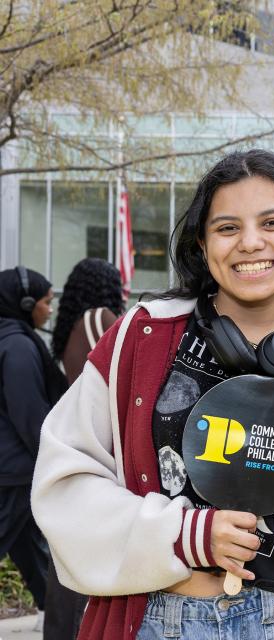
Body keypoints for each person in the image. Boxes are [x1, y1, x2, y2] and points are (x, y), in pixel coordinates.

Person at [32, 149, 274, 640]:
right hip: (158, 620)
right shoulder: (138, 340)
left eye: (273, 222)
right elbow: (64, 478)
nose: (251, 243)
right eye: (227, 228)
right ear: (204, 245)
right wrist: (185, 535)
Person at [44, 258, 124, 640]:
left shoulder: (73, 327)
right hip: (99, 447)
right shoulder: (98, 320)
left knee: (72, 556)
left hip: (80, 446)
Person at [0, 266, 68, 632]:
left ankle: (52, 615)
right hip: (13, 470)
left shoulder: (8, 338)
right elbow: (29, 415)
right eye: (46, 302)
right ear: (26, 304)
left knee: (30, 547)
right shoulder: (19, 346)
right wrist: (57, 453)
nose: (50, 309)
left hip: (12, 467)